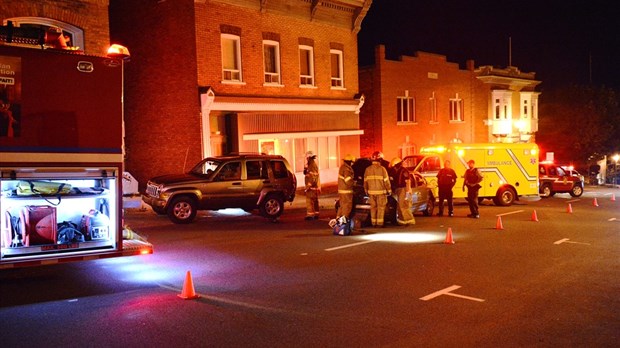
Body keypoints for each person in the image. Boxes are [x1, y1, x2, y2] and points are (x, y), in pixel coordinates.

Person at [363, 151, 391, 227]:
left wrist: (366, 190)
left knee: (373, 208)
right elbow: (386, 182)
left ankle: (373, 223)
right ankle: (379, 223)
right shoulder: (382, 169)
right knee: (381, 208)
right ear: (380, 160)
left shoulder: (367, 170)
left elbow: (365, 181)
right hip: (381, 193)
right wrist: (389, 190)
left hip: (371, 193)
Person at [390, 157, 415, 225]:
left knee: (403, 205)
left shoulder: (404, 171)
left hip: (403, 189)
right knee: (399, 206)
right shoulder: (396, 171)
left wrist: (407, 192)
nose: (393, 167)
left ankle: (409, 220)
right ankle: (402, 221)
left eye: (394, 165)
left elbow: (407, 181)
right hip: (398, 189)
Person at [337, 154, 355, 221]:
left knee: (342, 205)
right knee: (347, 206)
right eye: (352, 162)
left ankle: (338, 219)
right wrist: (354, 183)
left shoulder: (342, 167)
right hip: (346, 191)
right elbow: (348, 180)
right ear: (350, 161)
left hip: (342, 190)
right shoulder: (347, 169)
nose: (352, 164)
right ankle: (344, 220)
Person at [304, 151, 321, 220]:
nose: (306, 159)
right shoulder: (311, 165)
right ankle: (316, 214)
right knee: (314, 201)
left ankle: (310, 215)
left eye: (307, 158)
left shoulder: (312, 165)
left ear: (309, 157)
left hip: (311, 187)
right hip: (314, 187)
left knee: (310, 201)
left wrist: (308, 186)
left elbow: (312, 177)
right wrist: (305, 170)